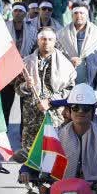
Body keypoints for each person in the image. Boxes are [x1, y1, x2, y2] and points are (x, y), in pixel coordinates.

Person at [18, 28, 76, 156]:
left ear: (55, 41)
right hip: (32, 116)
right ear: (38, 41)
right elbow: (18, 89)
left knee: (54, 153)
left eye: (50, 39)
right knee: (31, 155)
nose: (46, 42)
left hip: (55, 115)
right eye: (43, 39)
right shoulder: (26, 63)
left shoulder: (65, 64)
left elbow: (70, 89)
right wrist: (26, 86)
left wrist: (50, 101)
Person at [56, 2, 97, 89]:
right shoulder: (62, 35)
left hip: (90, 83)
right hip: (68, 84)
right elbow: (56, 56)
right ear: (72, 15)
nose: (79, 16)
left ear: (87, 15)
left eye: (82, 13)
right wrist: (69, 60)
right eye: (76, 13)